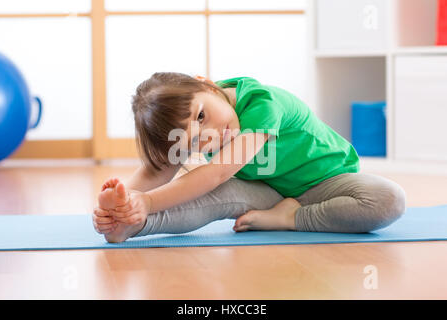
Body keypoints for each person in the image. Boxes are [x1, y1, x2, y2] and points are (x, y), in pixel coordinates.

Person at [92, 72, 406, 243]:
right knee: (209, 196)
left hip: (329, 182)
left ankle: (290, 218)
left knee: (388, 200)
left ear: (208, 85)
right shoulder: (202, 122)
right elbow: (158, 170)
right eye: (196, 141)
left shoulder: (261, 103)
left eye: (202, 116)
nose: (212, 135)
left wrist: (147, 202)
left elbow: (216, 172)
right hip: (266, 189)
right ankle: (132, 229)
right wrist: (124, 204)